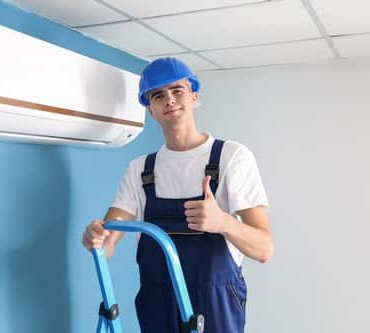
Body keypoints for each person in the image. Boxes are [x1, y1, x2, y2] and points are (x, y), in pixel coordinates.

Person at [82, 57, 273, 333]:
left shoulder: (232, 157)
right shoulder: (140, 170)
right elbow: (107, 242)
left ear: (194, 96)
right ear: (151, 109)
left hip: (216, 305)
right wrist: (95, 239)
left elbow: (265, 249)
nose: (169, 100)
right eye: (158, 95)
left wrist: (223, 223)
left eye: (177, 91)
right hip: (158, 304)